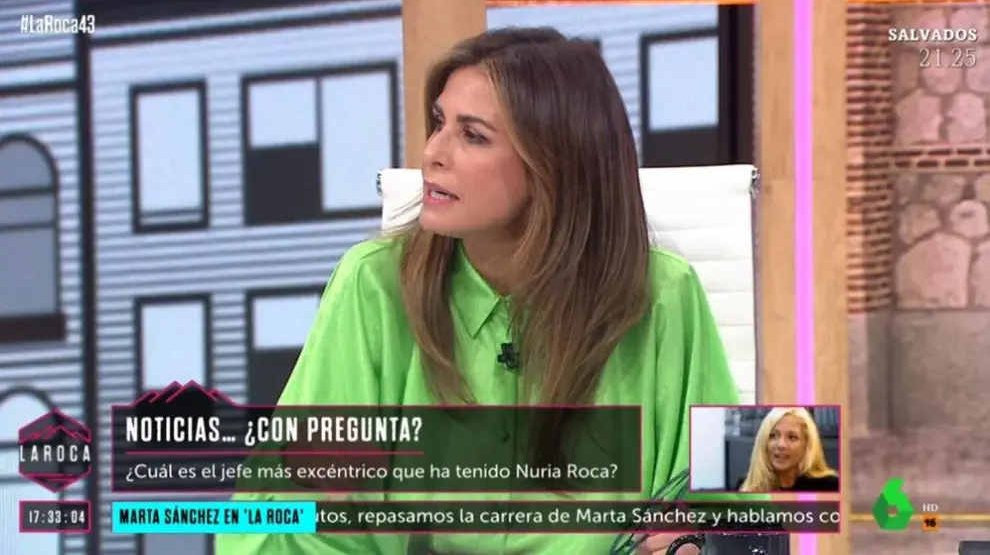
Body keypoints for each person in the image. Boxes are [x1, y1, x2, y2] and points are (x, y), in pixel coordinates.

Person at [216, 27, 740, 555]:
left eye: (472, 135)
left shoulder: (662, 295)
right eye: (439, 123)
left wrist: (695, 542)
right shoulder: (374, 286)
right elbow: (283, 513)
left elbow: (728, 501)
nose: (432, 153)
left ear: (554, 164)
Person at [738, 407, 839, 493]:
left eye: (792, 437)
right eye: (773, 435)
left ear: (806, 445)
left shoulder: (829, 486)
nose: (781, 445)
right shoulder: (745, 487)